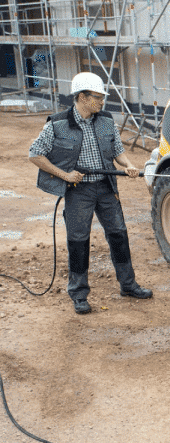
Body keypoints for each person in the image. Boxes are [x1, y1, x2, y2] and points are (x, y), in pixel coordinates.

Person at [29, 72, 152, 314]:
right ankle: (78, 294)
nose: (102, 101)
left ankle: (128, 285)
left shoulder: (106, 121)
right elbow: (35, 154)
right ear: (82, 97)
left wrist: (128, 165)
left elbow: (117, 150)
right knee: (78, 241)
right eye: (98, 97)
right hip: (78, 191)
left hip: (106, 187)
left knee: (119, 235)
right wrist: (65, 175)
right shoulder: (57, 124)